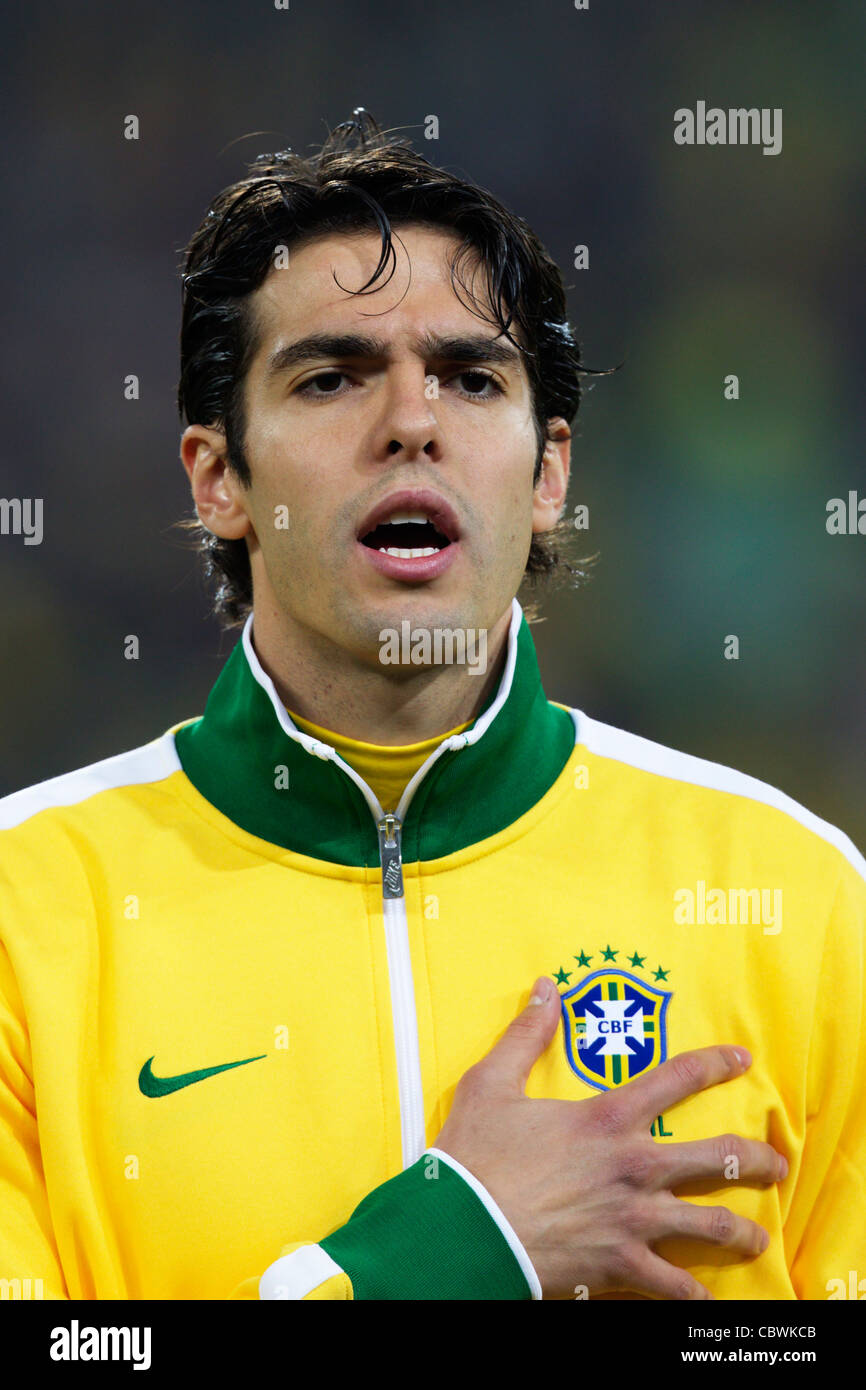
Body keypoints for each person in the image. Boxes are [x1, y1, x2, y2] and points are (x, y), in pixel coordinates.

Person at [0, 110, 862, 1302]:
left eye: (468, 377)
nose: (412, 421)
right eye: (330, 377)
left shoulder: (802, 900)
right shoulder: (25, 911)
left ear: (548, 472)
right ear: (219, 480)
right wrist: (464, 1248)